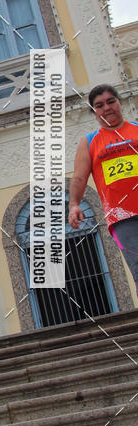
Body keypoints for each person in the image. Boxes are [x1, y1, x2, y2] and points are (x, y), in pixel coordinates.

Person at [70, 84, 138, 289]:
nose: (106, 108)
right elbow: (79, 177)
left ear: (119, 102)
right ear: (94, 112)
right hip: (122, 217)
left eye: (110, 102)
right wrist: (74, 204)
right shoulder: (90, 141)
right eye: (99, 105)